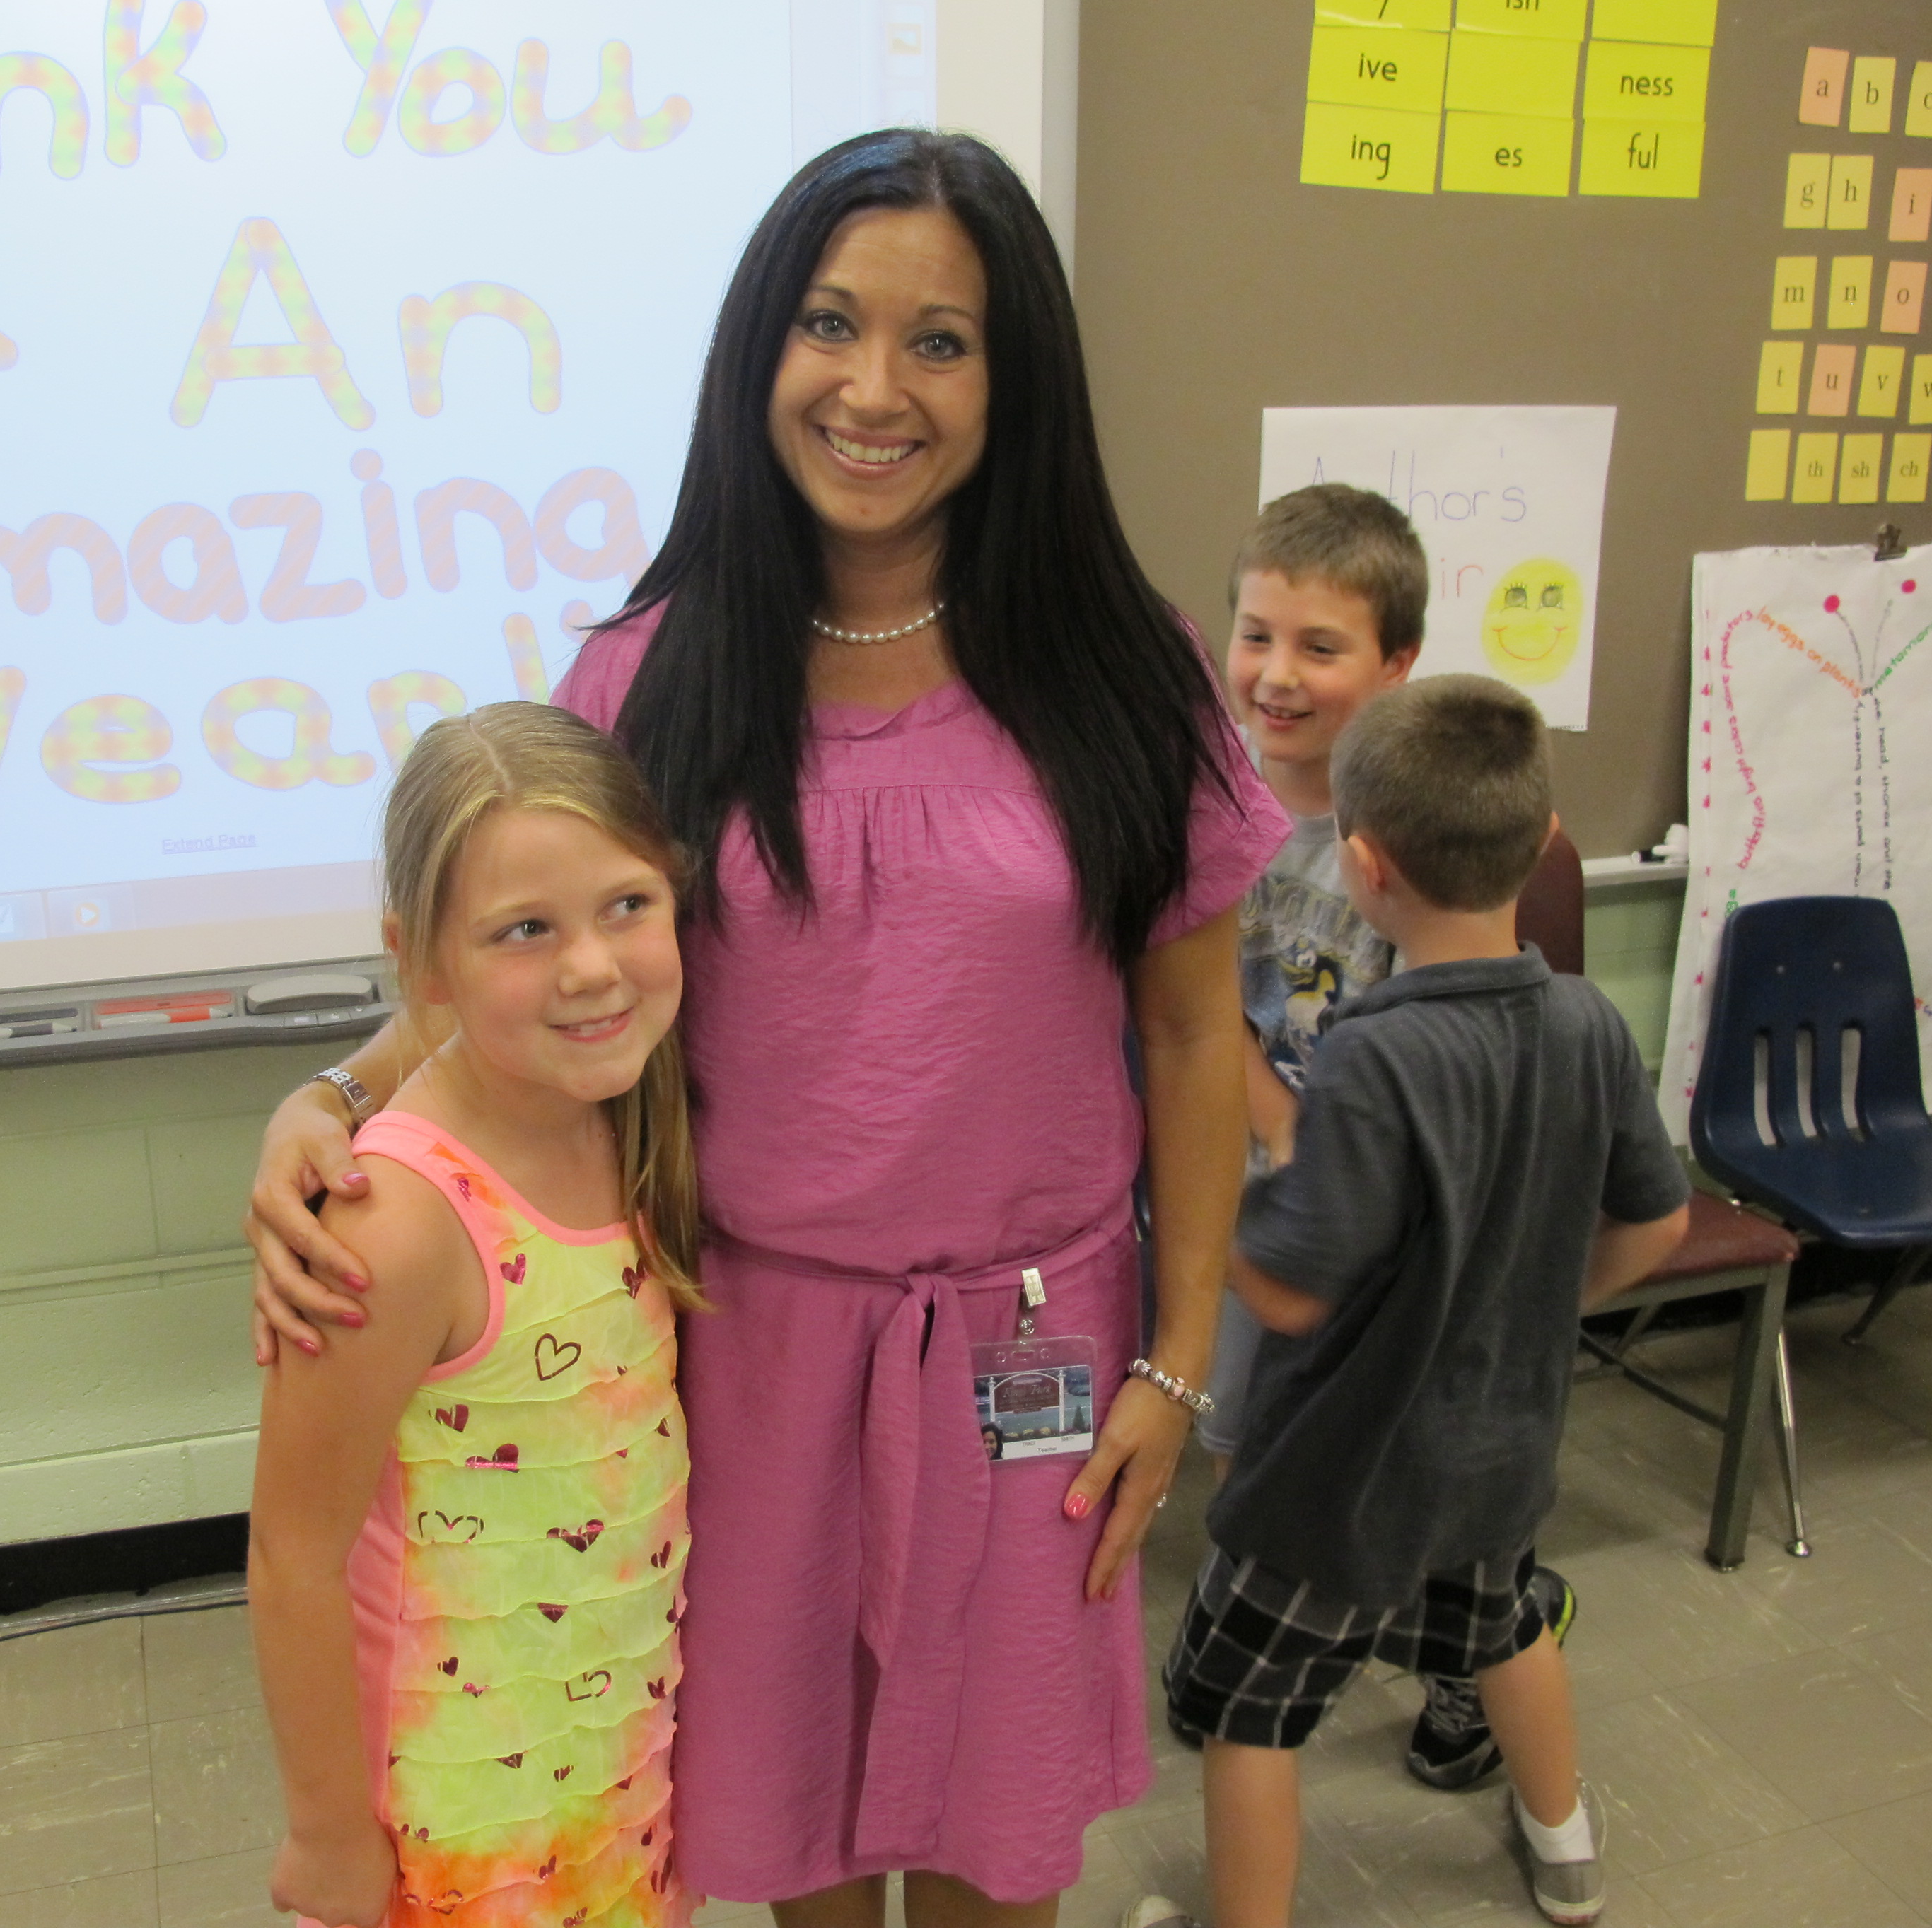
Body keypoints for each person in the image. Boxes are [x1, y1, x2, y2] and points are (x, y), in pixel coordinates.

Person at [246, 129, 1287, 1927]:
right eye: (829, 323)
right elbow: (533, 965)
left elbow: (1198, 1043)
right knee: (792, 1849)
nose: (875, 389)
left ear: (1014, 379)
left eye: (940, 341)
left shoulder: (1129, 665)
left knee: (996, 1851)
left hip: (1033, 1360)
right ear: (760, 348)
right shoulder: (652, 672)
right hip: (745, 1359)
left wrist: (1179, 1364)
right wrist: (333, 1095)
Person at [1134, 676, 1690, 1928]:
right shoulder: (1588, 1022)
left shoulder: (1374, 1052)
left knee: (1247, 1711)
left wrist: (1197, 1219)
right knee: (1505, 1628)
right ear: (1545, 840)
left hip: (1341, 1478)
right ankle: (1568, 1859)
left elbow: (1287, 1293)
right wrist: (1536, 1312)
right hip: (1500, 1455)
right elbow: (1656, 1224)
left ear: (1366, 864)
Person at [246, 703, 704, 1928]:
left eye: (627, 905)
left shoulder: (625, 1117)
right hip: (449, 1823)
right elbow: (293, 1556)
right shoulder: (393, 1224)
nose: (591, 966)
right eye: (524, 931)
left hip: (607, 1767)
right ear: (424, 961)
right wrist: (327, 1833)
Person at [1203, 484, 1578, 1794]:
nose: (1277, 675)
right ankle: (1263, 1660)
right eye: (1257, 635)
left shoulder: (1422, 827)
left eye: (1320, 647)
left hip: (1387, 1213)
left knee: (1411, 1462)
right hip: (1264, 1195)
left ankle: (1468, 1654)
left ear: (1396, 663)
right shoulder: (1212, 806)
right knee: (1255, 1436)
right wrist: (1263, 1131)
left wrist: (1288, 1125)